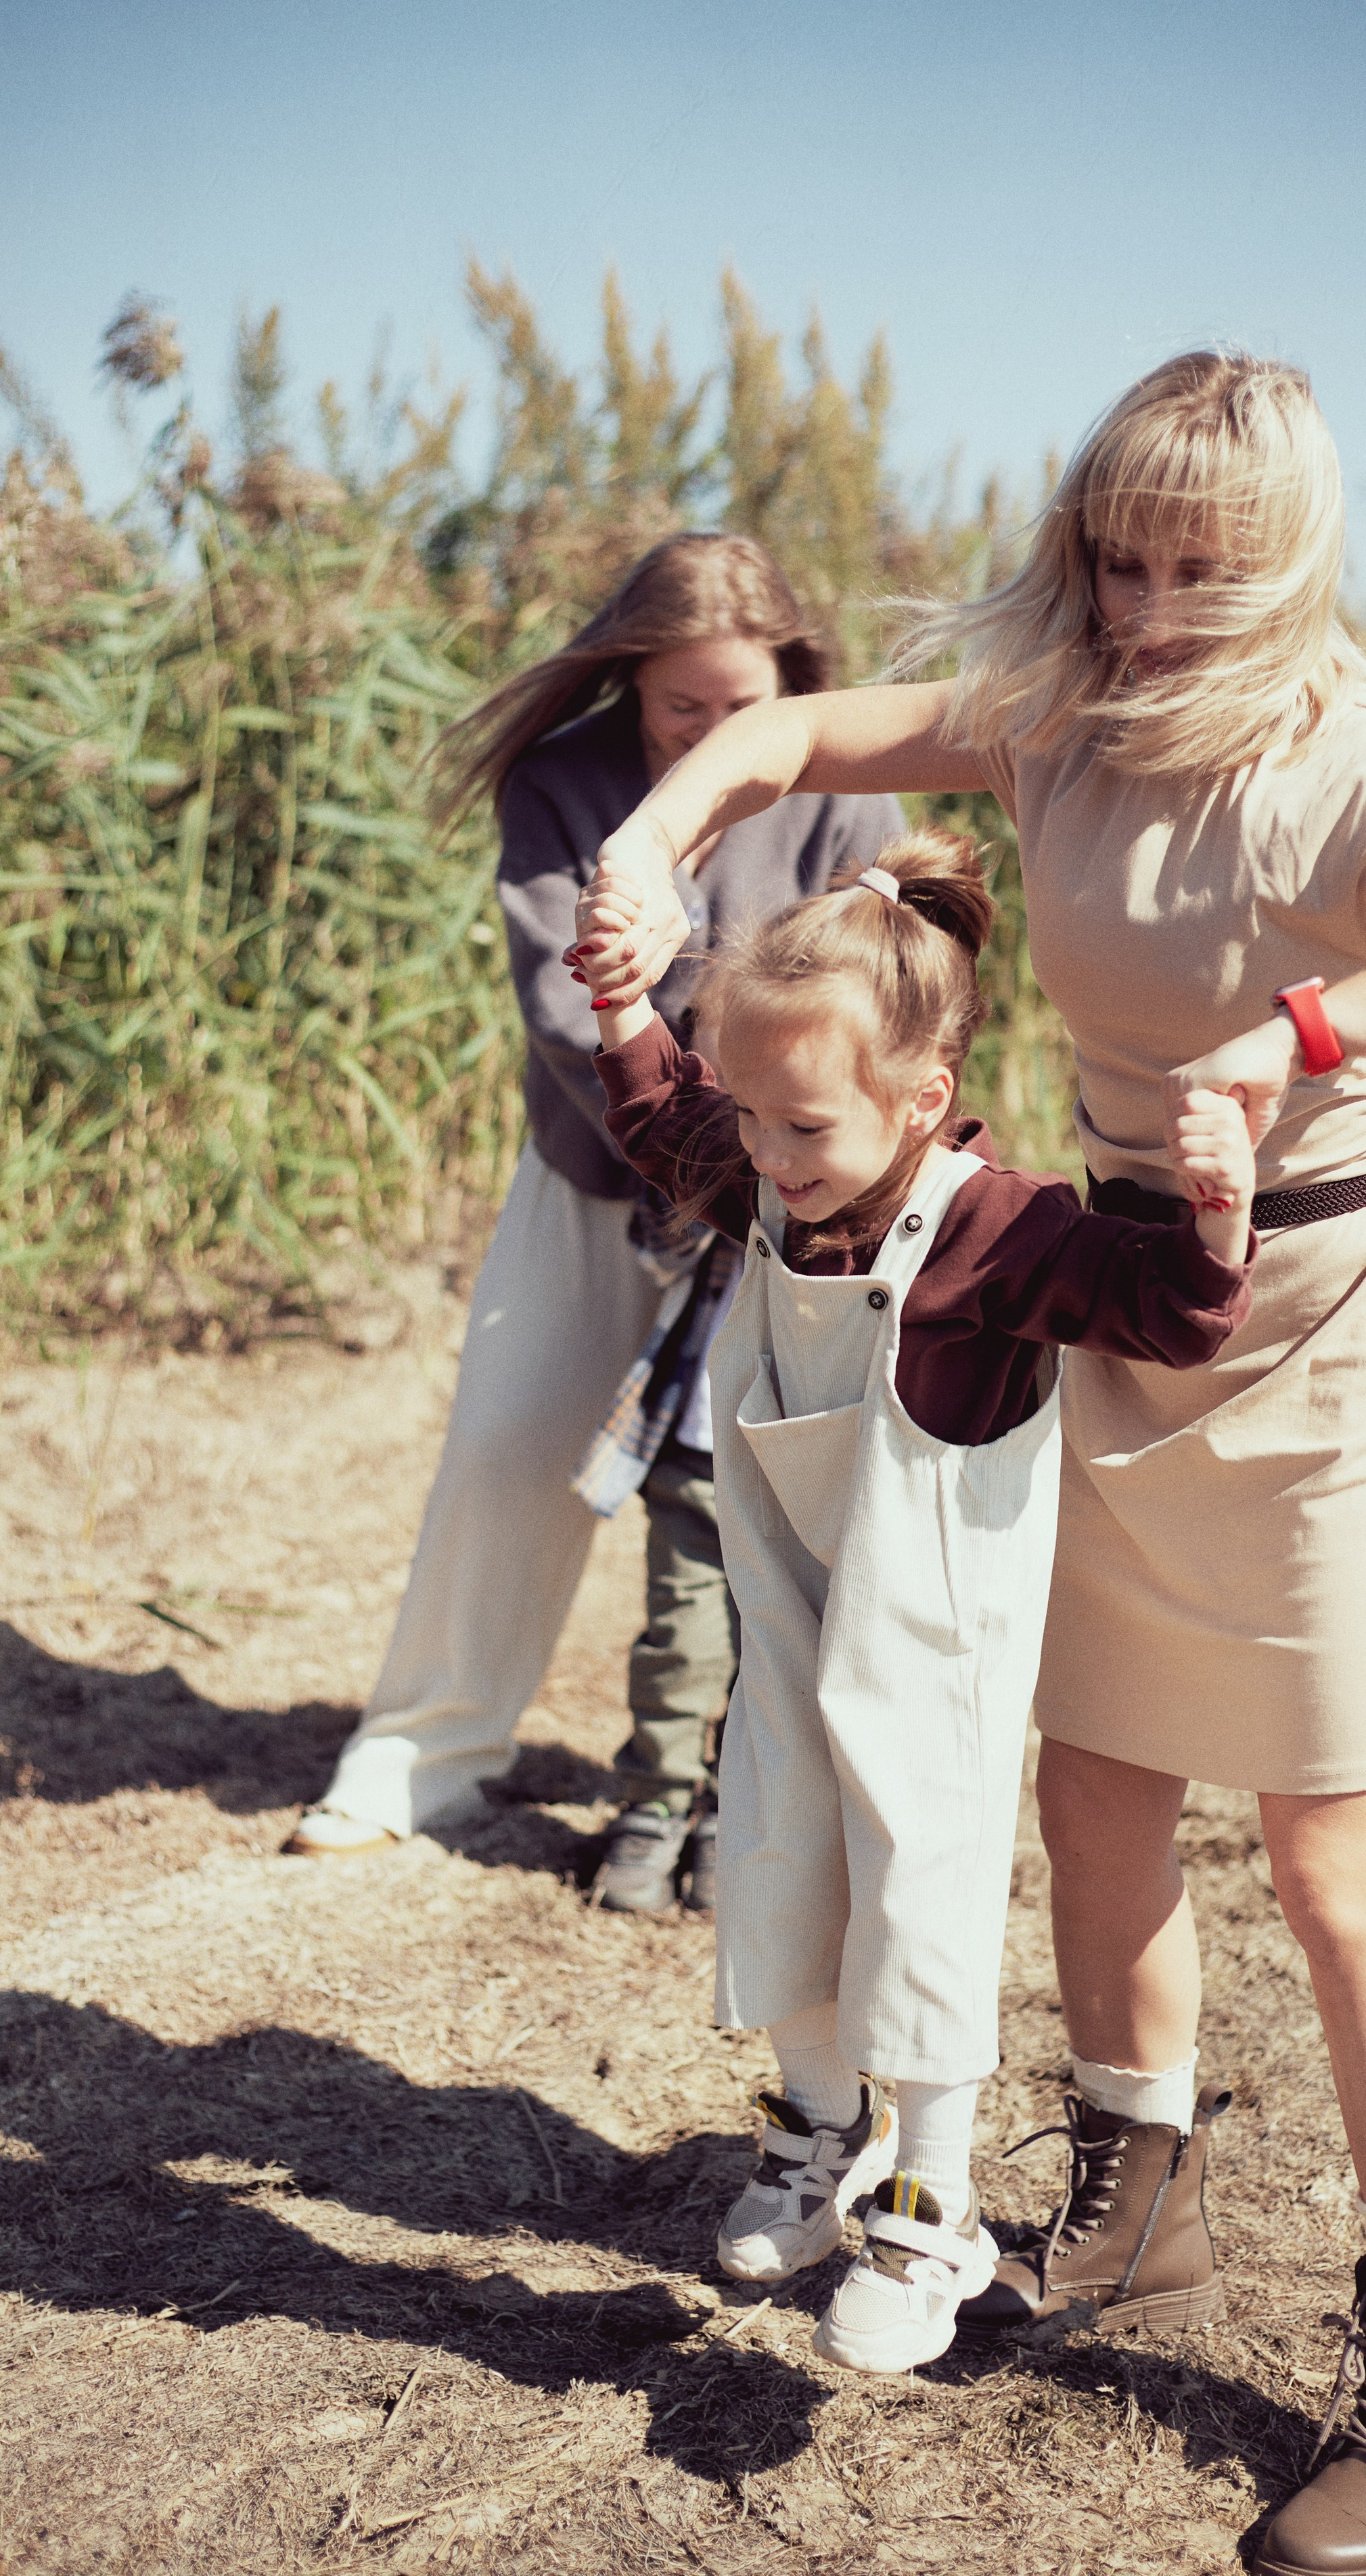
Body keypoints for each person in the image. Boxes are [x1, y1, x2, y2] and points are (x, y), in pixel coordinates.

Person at [570, 356, 1366, 2576]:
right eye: (1121, 558)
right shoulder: (1063, 707)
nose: (1152, 609)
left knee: (1343, 1880)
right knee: (1089, 1793)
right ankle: (1131, 2208)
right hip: (1116, 1324)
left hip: (1330, 1342)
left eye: (1201, 572)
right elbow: (789, 735)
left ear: (1294, 563)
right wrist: (660, 849)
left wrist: (1315, 1029)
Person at [578, 827, 1258, 2374]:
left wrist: (1215, 1213)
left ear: (920, 1101)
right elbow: (664, 1121)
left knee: (919, 1877)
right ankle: (818, 2131)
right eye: (747, 1114)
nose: (759, 1152)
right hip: (795, 1608)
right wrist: (627, 1005)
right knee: (779, 1839)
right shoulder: (768, 1170)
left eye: (799, 1125)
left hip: (932, 1640)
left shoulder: (987, 1226)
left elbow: (1161, 1310)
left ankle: (932, 2200)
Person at [286, 534, 905, 1914]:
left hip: (780, 1198)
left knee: (765, 1504)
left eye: (737, 703)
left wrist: (771, 1141)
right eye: (678, 705)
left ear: (790, 679)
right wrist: (719, 1093)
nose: (708, 731)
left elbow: (876, 1000)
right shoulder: (561, 782)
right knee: (506, 1442)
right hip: (593, 1164)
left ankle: (752, 1790)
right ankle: (421, 1749)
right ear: (630, 684)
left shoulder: (849, 798)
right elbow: (570, 1008)